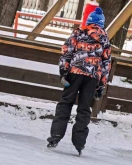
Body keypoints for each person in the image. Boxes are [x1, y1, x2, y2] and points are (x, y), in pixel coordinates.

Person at [47, 7, 111, 154]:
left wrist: (63, 71)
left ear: (88, 22)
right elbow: (106, 64)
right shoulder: (105, 40)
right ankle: (79, 143)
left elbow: (67, 52)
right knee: (84, 108)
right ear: (101, 24)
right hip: (93, 77)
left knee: (66, 103)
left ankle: (55, 135)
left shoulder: (78, 33)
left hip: (75, 73)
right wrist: (101, 84)